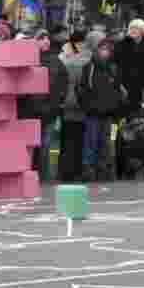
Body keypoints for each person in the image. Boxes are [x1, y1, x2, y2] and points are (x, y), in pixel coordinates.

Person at [19, 29, 67, 183]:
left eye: (47, 38)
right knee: (29, 146)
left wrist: (56, 103)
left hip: (49, 111)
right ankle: (28, 175)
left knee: (45, 146)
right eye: (41, 38)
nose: (45, 41)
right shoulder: (25, 59)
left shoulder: (55, 61)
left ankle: (42, 176)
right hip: (29, 110)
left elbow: (62, 84)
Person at [77, 35, 126, 182]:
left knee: (106, 142)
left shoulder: (113, 68)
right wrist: (87, 106)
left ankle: (104, 169)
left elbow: (118, 90)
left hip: (108, 113)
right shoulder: (88, 68)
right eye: (102, 49)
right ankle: (89, 169)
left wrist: (115, 106)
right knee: (91, 141)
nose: (105, 52)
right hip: (93, 113)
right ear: (96, 50)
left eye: (107, 49)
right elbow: (82, 90)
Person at [59, 29, 92, 182]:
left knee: (66, 139)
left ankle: (65, 170)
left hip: (65, 102)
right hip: (80, 102)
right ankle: (75, 170)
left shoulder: (63, 56)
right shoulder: (86, 59)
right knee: (78, 139)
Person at [114, 19, 144, 114]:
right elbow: (114, 66)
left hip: (140, 90)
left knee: (137, 118)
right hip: (122, 87)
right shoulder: (120, 46)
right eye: (131, 27)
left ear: (143, 31)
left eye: (136, 28)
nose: (133, 30)